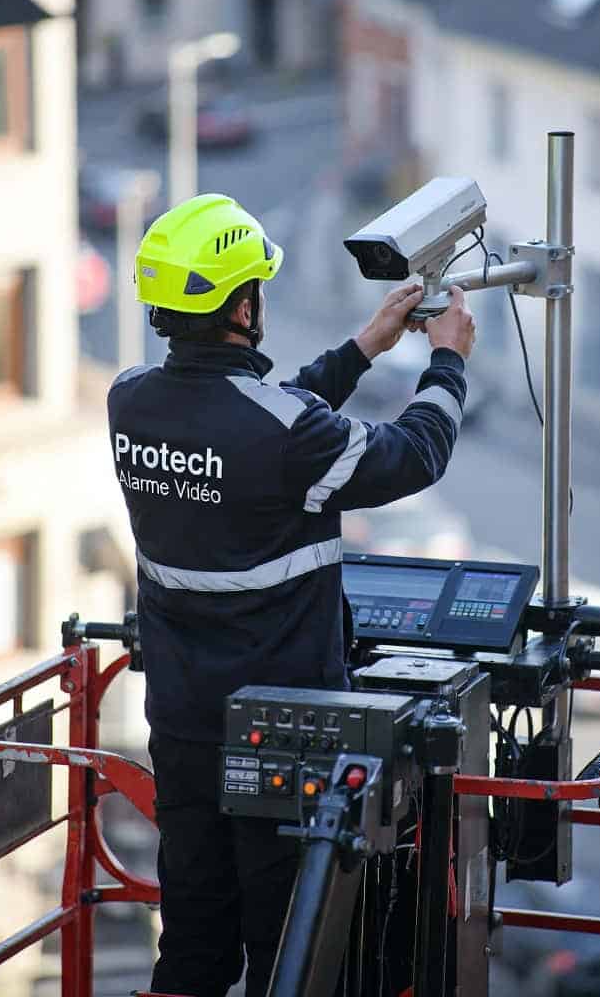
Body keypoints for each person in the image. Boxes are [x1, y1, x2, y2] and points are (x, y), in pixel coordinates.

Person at [107, 193, 476, 997]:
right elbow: (412, 455)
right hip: (285, 740)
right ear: (244, 303)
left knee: (195, 947)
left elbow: (262, 432)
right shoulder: (283, 433)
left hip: (181, 727)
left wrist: (363, 347)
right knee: (294, 955)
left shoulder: (129, 401)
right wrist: (446, 359)